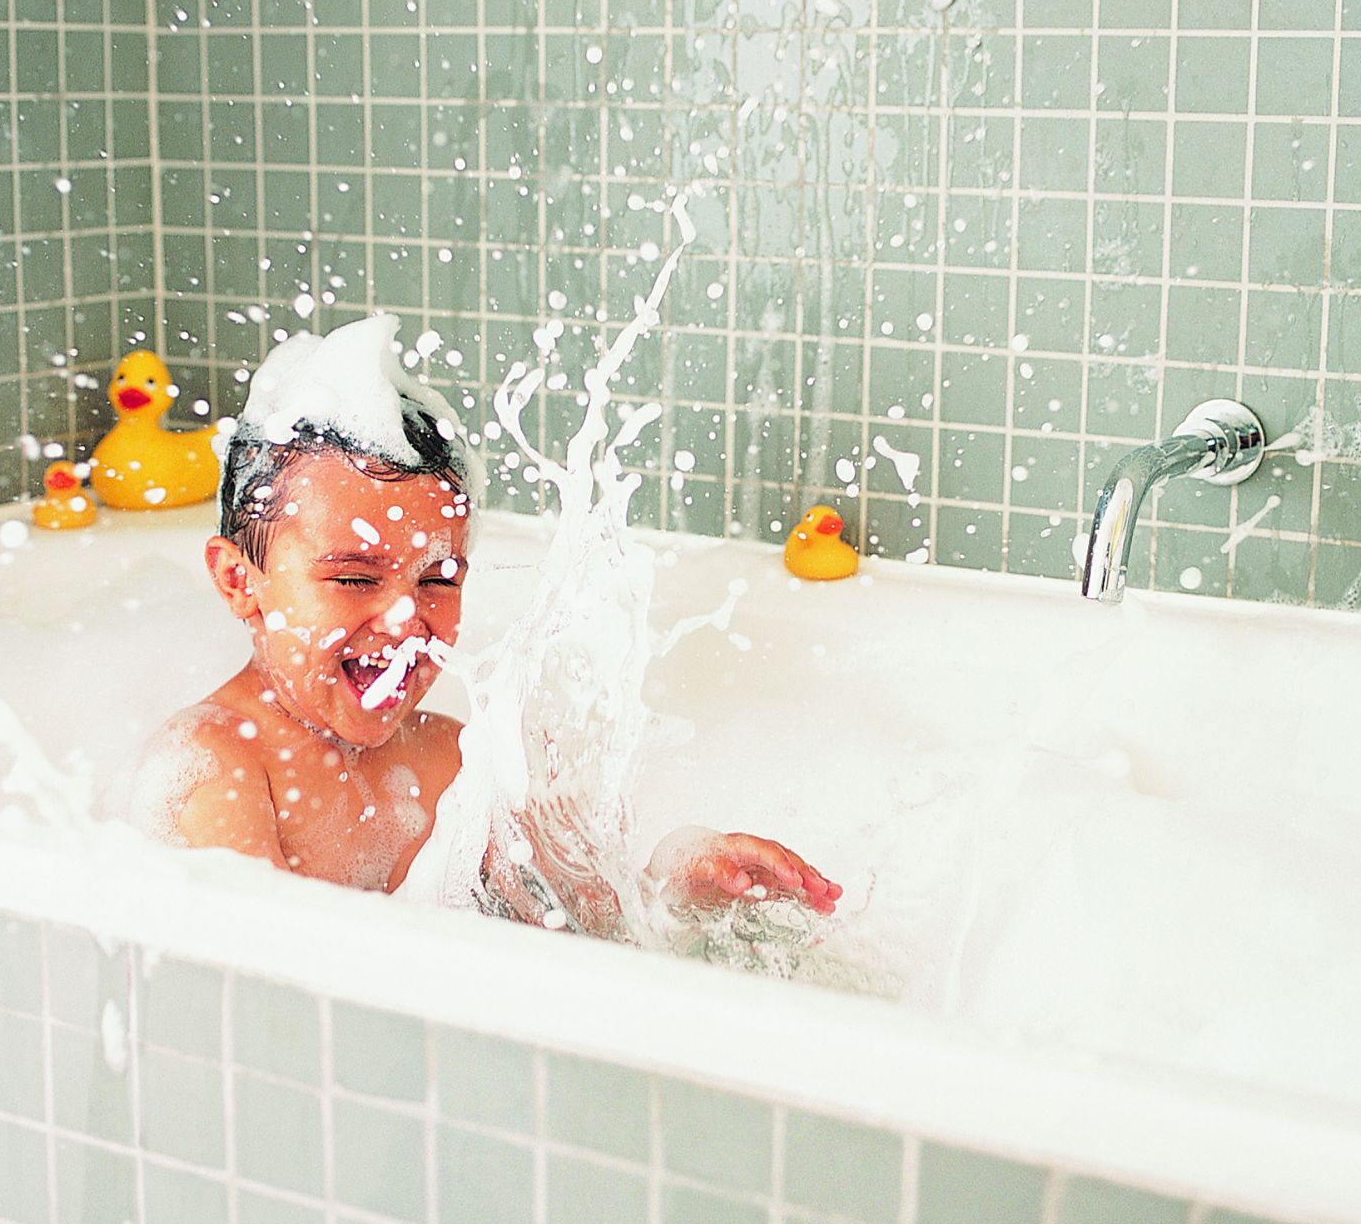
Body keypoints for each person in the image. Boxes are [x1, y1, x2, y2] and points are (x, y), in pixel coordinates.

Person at [128, 318, 839, 928]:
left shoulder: (454, 763)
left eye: (438, 579)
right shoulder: (216, 767)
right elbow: (265, 1007)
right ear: (236, 580)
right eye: (353, 577)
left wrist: (682, 884)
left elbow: (598, 927)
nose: (406, 618)